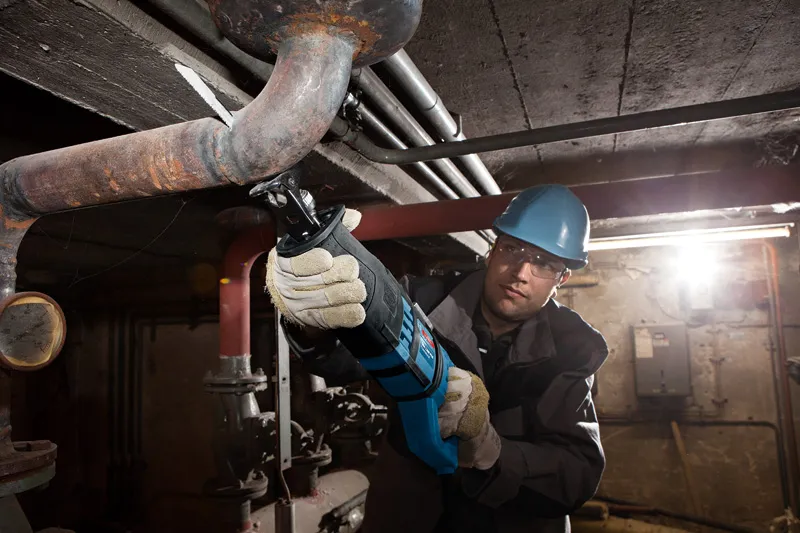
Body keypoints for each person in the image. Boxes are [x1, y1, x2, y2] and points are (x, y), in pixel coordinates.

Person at [265, 184, 609, 533]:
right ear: (493, 249)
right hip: (409, 515)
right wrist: (313, 324)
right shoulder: (423, 300)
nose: (521, 272)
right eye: (513, 248)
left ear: (561, 279)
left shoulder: (572, 350)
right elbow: (343, 359)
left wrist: (490, 450)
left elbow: (576, 474)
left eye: (544, 264)